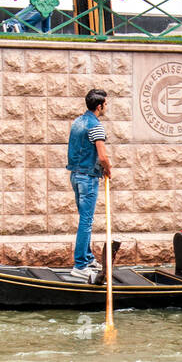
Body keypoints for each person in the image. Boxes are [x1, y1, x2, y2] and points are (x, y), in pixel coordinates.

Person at [66, 89, 111, 282]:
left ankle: (87, 257)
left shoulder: (77, 122)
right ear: (99, 106)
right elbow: (102, 156)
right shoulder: (95, 126)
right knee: (86, 222)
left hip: (75, 176)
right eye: (105, 104)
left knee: (85, 220)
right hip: (88, 179)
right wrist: (108, 169)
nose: (106, 107)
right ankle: (80, 266)